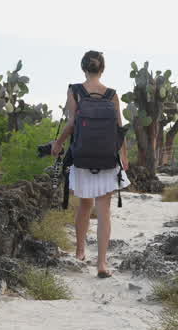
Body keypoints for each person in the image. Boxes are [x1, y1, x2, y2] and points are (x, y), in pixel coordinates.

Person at [50, 50, 130, 278]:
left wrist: (58, 143)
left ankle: (80, 252)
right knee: (104, 211)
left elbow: (72, 124)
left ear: (83, 68)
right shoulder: (112, 94)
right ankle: (102, 264)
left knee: (84, 206)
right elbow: (119, 128)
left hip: (82, 156)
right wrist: (124, 156)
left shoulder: (75, 90)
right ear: (102, 69)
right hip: (107, 158)